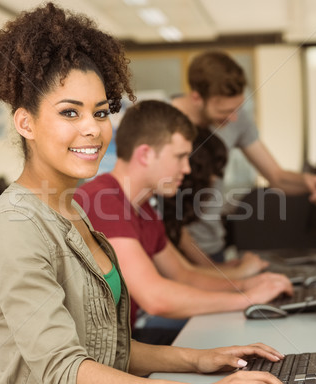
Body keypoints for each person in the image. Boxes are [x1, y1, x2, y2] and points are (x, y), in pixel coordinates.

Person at [0, 3, 294, 384]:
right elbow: (64, 372)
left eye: (101, 112)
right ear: (26, 123)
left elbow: (105, 352)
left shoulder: (74, 214)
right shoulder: (15, 226)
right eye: (70, 113)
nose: (92, 128)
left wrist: (202, 360)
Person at [75, 100, 293, 343]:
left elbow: (183, 274)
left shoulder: (142, 206)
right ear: (145, 154)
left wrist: (248, 284)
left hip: (125, 342)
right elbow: (155, 298)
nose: (187, 168)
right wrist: (248, 299)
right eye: (180, 157)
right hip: (98, 354)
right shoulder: (103, 202)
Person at [171, 51, 316, 260]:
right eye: (224, 111)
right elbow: (164, 211)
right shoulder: (163, 123)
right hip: (174, 249)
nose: (233, 118)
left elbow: (276, 176)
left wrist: (307, 181)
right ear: (196, 97)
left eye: (237, 108)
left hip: (213, 246)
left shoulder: (238, 117)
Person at [161, 126, 268, 278]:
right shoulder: (159, 209)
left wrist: (221, 268)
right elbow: (186, 275)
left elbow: (189, 267)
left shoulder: (175, 213)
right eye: (209, 172)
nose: (213, 179)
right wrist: (241, 272)